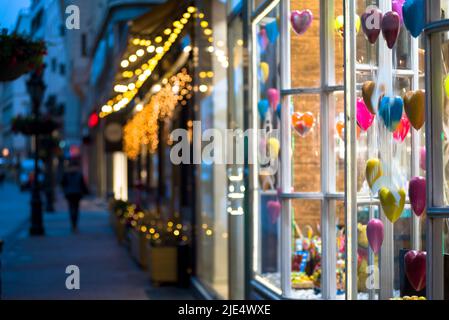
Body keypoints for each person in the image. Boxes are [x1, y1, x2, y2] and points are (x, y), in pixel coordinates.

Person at [61, 161, 88, 232]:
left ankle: (73, 225)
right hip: (77, 193)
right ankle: (75, 225)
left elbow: (63, 184)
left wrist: (65, 190)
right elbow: (83, 185)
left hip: (70, 194)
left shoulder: (66, 174)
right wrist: (85, 192)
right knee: (76, 209)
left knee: (71, 208)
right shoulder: (79, 174)